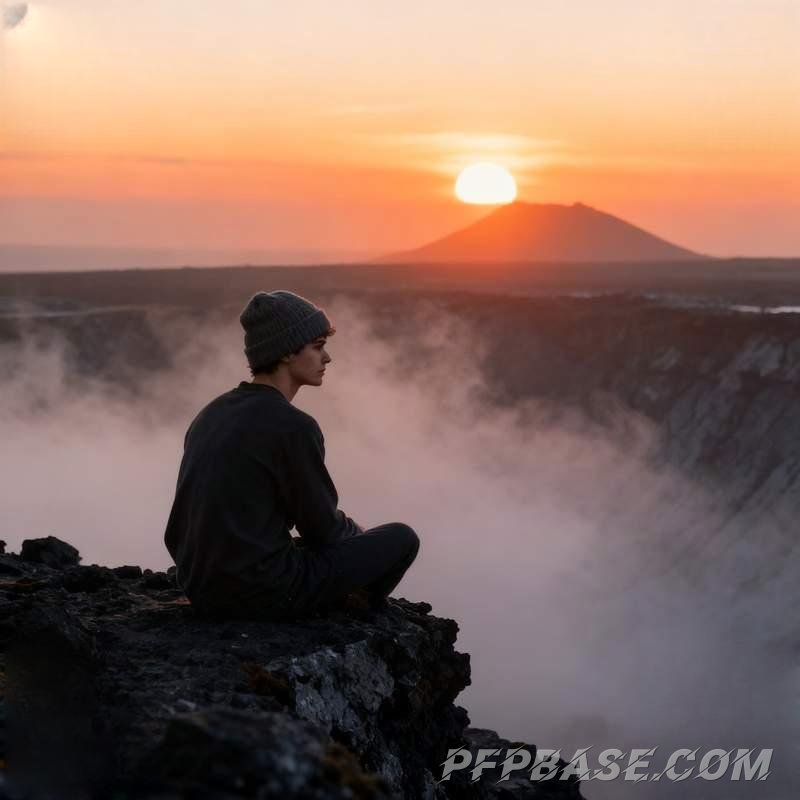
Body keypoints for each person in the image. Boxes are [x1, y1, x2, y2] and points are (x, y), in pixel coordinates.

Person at [164, 290, 420, 621]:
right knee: (401, 538)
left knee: (304, 548)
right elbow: (322, 529)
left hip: (200, 587)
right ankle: (351, 610)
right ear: (286, 352)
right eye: (317, 346)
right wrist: (360, 536)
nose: (326, 358)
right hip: (262, 593)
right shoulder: (293, 427)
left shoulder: (211, 413)